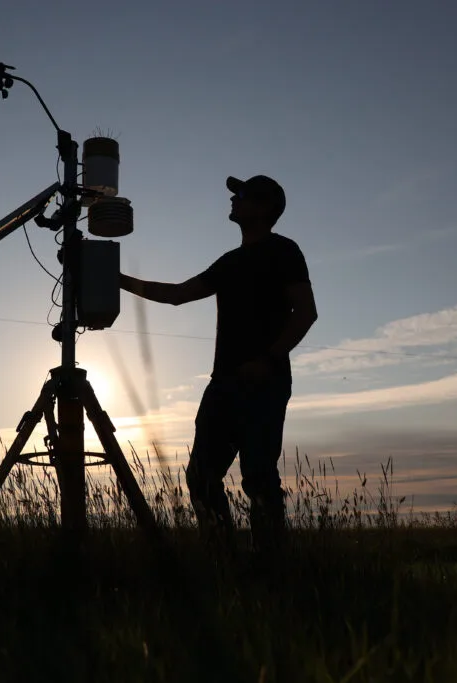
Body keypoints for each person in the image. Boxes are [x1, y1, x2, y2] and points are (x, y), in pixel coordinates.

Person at [119, 174, 317, 554]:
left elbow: (306, 312)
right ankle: (222, 560)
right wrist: (118, 281)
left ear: (262, 208)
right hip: (223, 384)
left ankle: (272, 568)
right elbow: (177, 295)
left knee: (258, 478)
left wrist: (268, 360)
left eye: (240, 196)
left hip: (264, 382)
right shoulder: (230, 263)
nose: (232, 201)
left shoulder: (284, 251)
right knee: (202, 476)